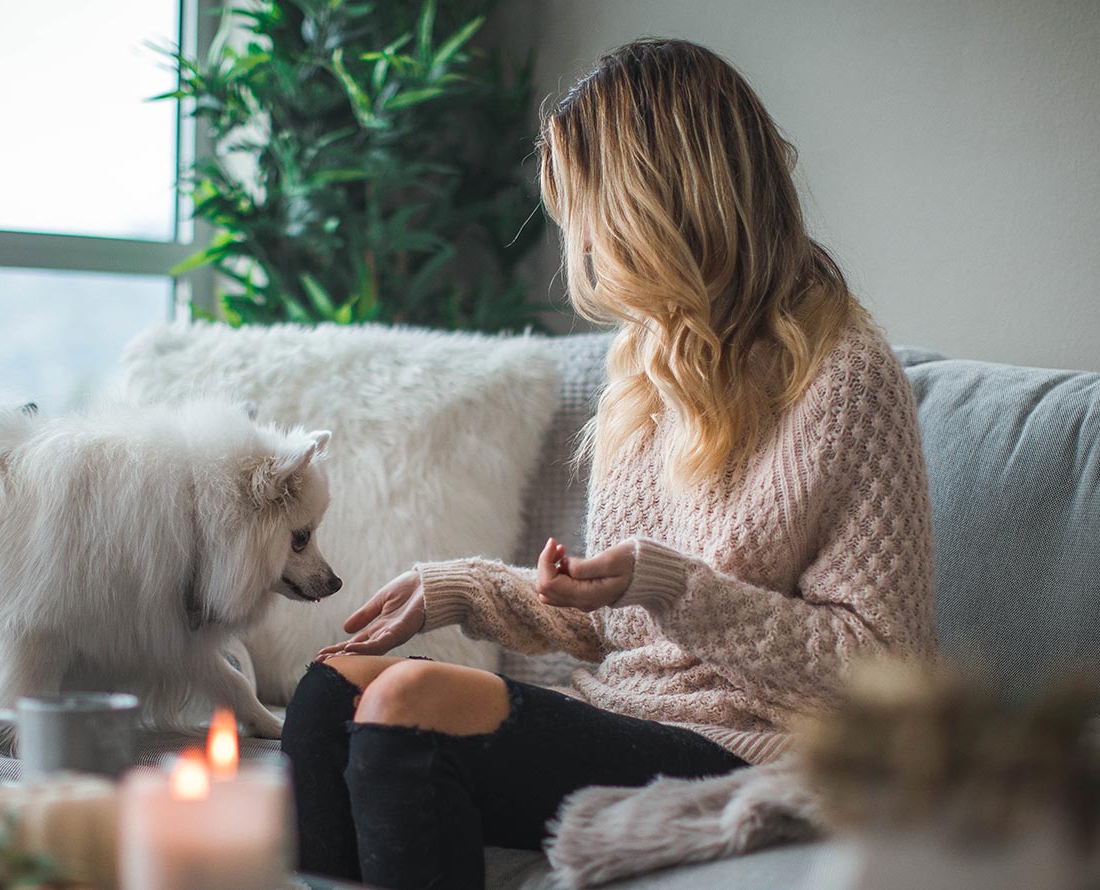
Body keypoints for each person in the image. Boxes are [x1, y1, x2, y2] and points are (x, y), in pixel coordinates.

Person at [279, 37, 937, 890]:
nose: (581, 241)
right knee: (330, 692)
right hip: (627, 716)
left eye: (589, 209)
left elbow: (883, 674)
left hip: (760, 746)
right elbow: (610, 621)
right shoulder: (647, 360)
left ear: (657, 203)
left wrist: (672, 586)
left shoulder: (843, 377)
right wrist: (464, 590)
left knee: (406, 708)